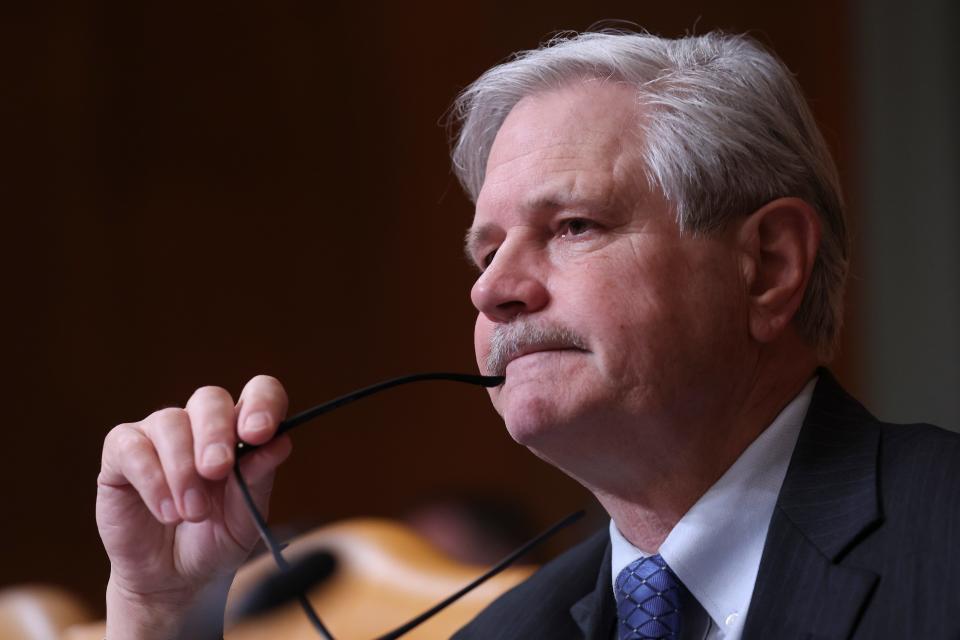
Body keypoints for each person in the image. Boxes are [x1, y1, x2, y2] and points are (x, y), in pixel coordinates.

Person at [96, 30, 960, 640]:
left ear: (768, 265)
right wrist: (167, 611)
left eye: (574, 226)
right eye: (485, 250)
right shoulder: (507, 632)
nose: (494, 290)